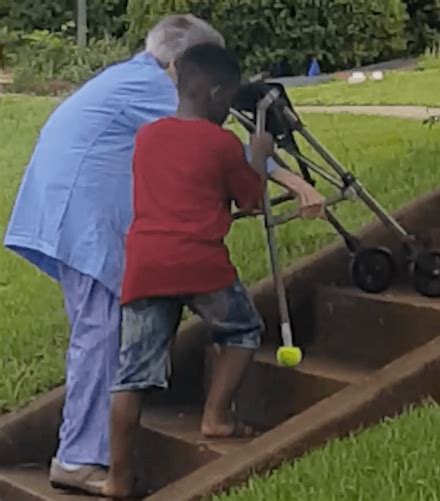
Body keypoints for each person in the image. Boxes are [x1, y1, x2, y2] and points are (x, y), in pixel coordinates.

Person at [3, 14, 323, 494]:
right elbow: (225, 150)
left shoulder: (128, 77)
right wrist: (296, 180)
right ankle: (78, 458)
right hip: (83, 216)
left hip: (70, 211)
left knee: (113, 341)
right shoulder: (157, 88)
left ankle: (100, 458)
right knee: (103, 332)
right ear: (179, 66)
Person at [99, 42, 294, 499]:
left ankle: (117, 478)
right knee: (243, 331)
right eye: (228, 101)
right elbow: (248, 199)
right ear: (215, 93)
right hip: (200, 263)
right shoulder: (222, 143)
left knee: (132, 377)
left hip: (145, 267)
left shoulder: (147, 138)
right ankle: (217, 417)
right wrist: (258, 153)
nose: (229, 110)